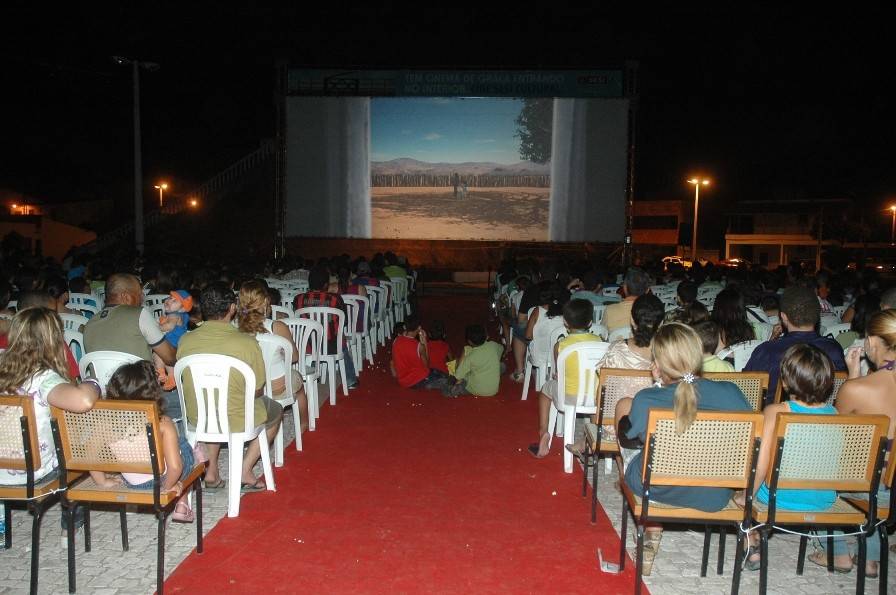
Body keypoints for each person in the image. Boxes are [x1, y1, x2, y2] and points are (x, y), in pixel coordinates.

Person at [614, 322, 751, 574]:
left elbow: (629, 440)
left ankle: (651, 528)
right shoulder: (732, 393)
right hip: (714, 496)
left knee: (624, 407)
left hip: (654, 490)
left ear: (657, 365)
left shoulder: (647, 398)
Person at [177, 282, 283, 492]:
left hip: (198, 416)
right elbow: (258, 389)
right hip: (236, 417)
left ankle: (211, 472)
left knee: (213, 404)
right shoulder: (246, 343)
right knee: (276, 410)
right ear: (233, 308)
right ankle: (245, 470)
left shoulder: (185, 340)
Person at [743, 344, 840, 571]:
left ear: (785, 382)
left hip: (778, 498)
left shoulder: (776, 412)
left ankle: (751, 541)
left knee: (736, 486)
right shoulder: (835, 413)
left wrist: (746, 496)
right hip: (823, 499)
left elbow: (761, 464)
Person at [825, 309, 896, 576]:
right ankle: (870, 559)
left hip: (866, 486)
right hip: (889, 488)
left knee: (817, 467)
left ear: (873, 342)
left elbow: (837, 434)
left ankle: (838, 552)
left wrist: (852, 376)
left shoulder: (858, 389)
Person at [0, 307, 100, 486]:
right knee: (87, 425)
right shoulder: (43, 378)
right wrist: (93, 382)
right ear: (55, 339)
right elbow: (84, 401)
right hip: (31, 474)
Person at [93, 361, 198, 522]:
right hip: (162, 479)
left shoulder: (105, 423)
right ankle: (183, 499)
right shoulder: (162, 423)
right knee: (184, 446)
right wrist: (168, 487)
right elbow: (176, 467)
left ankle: (182, 499)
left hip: (133, 482)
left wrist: (102, 481)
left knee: (174, 446)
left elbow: (90, 453)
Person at [83, 273, 178, 414]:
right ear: (125, 296)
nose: (142, 298)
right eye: (139, 294)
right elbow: (170, 357)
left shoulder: (90, 323)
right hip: (141, 400)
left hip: (104, 402)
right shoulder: (139, 314)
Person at [743, 285, 847, 403]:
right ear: (817, 316)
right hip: (825, 414)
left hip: (774, 413)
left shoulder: (766, 351)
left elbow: (747, 392)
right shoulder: (834, 349)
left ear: (783, 317)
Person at [530, 298, 601, 457]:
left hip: (568, 397)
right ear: (590, 322)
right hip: (595, 397)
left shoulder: (561, 345)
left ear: (565, 322)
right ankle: (591, 437)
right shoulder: (600, 342)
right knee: (594, 394)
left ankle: (543, 432)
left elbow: (558, 374)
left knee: (545, 391)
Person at [238, 280, 309, 434]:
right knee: (299, 382)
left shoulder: (234, 327)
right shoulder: (277, 327)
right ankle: (304, 423)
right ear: (265, 302)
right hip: (276, 386)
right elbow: (294, 357)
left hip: (248, 387)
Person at [293, 266, 358, 389]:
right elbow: (344, 322)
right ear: (326, 285)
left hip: (308, 345)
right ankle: (350, 380)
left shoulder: (299, 299)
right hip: (332, 345)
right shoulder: (335, 299)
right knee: (341, 340)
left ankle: (313, 371)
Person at [390, 314, 450, 390]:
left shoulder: (396, 341)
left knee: (438, 373)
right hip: (418, 379)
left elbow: (405, 338)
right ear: (419, 328)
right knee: (445, 379)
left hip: (403, 380)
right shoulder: (419, 346)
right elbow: (427, 365)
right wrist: (424, 343)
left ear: (405, 327)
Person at [443, 323, 503, 398]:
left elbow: (458, 375)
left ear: (469, 341)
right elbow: (501, 349)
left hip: (477, 389)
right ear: (486, 336)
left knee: (463, 376)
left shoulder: (470, 356)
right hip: (493, 390)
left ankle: (457, 389)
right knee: (502, 366)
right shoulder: (494, 345)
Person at [604, 268, 651, 334]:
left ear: (624, 288)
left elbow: (602, 333)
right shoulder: (655, 312)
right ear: (647, 290)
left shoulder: (609, 311)